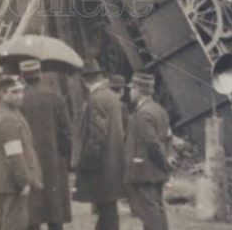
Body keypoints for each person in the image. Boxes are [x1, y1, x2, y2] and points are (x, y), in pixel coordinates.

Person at [20, 59, 72, 230]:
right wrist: (64, 155)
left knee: (32, 212)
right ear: (40, 74)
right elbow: (66, 132)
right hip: (54, 161)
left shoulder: (20, 100)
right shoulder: (55, 97)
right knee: (54, 211)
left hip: (29, 161)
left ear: (23, 77)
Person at [72, 69, 125, 230]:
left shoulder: (96, 99)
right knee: (108, 209)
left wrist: (87, 163)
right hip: (112, 162)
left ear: (84, 80)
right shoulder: (111, 96)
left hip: (101, 165)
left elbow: (97, 135)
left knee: (106, 210)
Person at [0, 76, 43, 230]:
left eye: (21, 91)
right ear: (3, 93)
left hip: (5, 181)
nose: (20, 95)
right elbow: (14, 154)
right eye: (14, 92)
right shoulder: (8, 119)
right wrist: (24, 181)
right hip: (11, 183)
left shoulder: (9, 113)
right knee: (14, 224)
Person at [124, 72, 171, 230]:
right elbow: (167, 138)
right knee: (158, 209)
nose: (130, 92)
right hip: (155, 171)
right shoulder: (159, 110)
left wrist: (162, 162)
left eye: (132, 89)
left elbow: (152, 143)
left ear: (138, 90)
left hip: (144, 172)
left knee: (150, 215)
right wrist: (165, 163)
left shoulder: (143, 114)